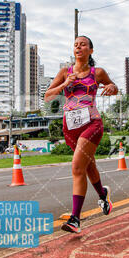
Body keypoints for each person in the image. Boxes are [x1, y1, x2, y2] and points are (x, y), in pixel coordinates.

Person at [45, 35, 118, 233]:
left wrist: (111, 87)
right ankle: (103, 195)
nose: (78, 47)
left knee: (77, 167)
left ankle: (75, 219)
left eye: (83, 44)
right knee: (88, 166)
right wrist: (64, 84)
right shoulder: (64, 72)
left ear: (90, 50)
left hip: (91, 123)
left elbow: (114, 88)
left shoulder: (97, 72)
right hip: (70, 127)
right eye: (76, 45)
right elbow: (47, 96)